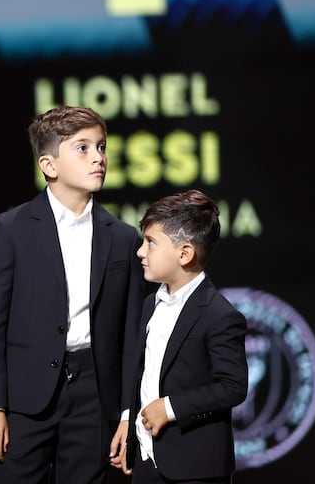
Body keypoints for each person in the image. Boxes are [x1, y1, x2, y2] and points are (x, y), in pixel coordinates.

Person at [0, 105, 146, 483]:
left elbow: (131, 333)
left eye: (101, 146)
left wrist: (127, 413)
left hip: (95, 392)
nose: (98, 157)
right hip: (25, 394)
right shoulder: (12, 228)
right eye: (82, 148)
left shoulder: (122, 237)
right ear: (48, 165)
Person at [112, 189, 248, 483]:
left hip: (194, 467)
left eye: (150, 243)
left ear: (184, 253)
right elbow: (141, 372)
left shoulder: (218, 315)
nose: (140, 252)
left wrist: (171, 408)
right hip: (146, 462)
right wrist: (127, 417)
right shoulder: (150, 304)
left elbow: (233, 386)